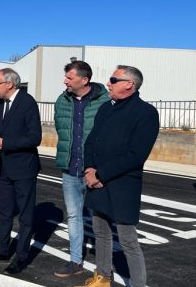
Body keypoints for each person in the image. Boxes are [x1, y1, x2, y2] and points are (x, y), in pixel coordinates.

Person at [77, 65, 159, 287]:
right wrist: (90, 169)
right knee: (100, 233)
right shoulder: (105, 108)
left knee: (127, 240)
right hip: (97, 182)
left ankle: (138, 284)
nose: (108, 83)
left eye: (113, 79)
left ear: (129, 84)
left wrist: (101, 173)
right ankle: (103, 277)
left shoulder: (146, 113)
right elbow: (91, 141)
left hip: (123, 185)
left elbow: (136, 155)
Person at [0, 68, 42, 275]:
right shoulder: (0, 102)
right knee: (4, 212)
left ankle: (21, 257)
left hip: (24, 168)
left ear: (9, 84)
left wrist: (6, 143)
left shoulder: (27, 102)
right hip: (4, 167)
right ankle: (2, 249)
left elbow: (35, 138)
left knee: (25, 215)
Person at [53, 61, 109, 278]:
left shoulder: (104, 101)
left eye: (69, 77)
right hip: (70, 168)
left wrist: (99, 168)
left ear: (84, 80)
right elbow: (61, 128)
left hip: (95, 170)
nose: (64, 81)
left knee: (101, 218)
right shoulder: (62, 100)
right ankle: (75, 260)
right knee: (74, 215)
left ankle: (104, 265)